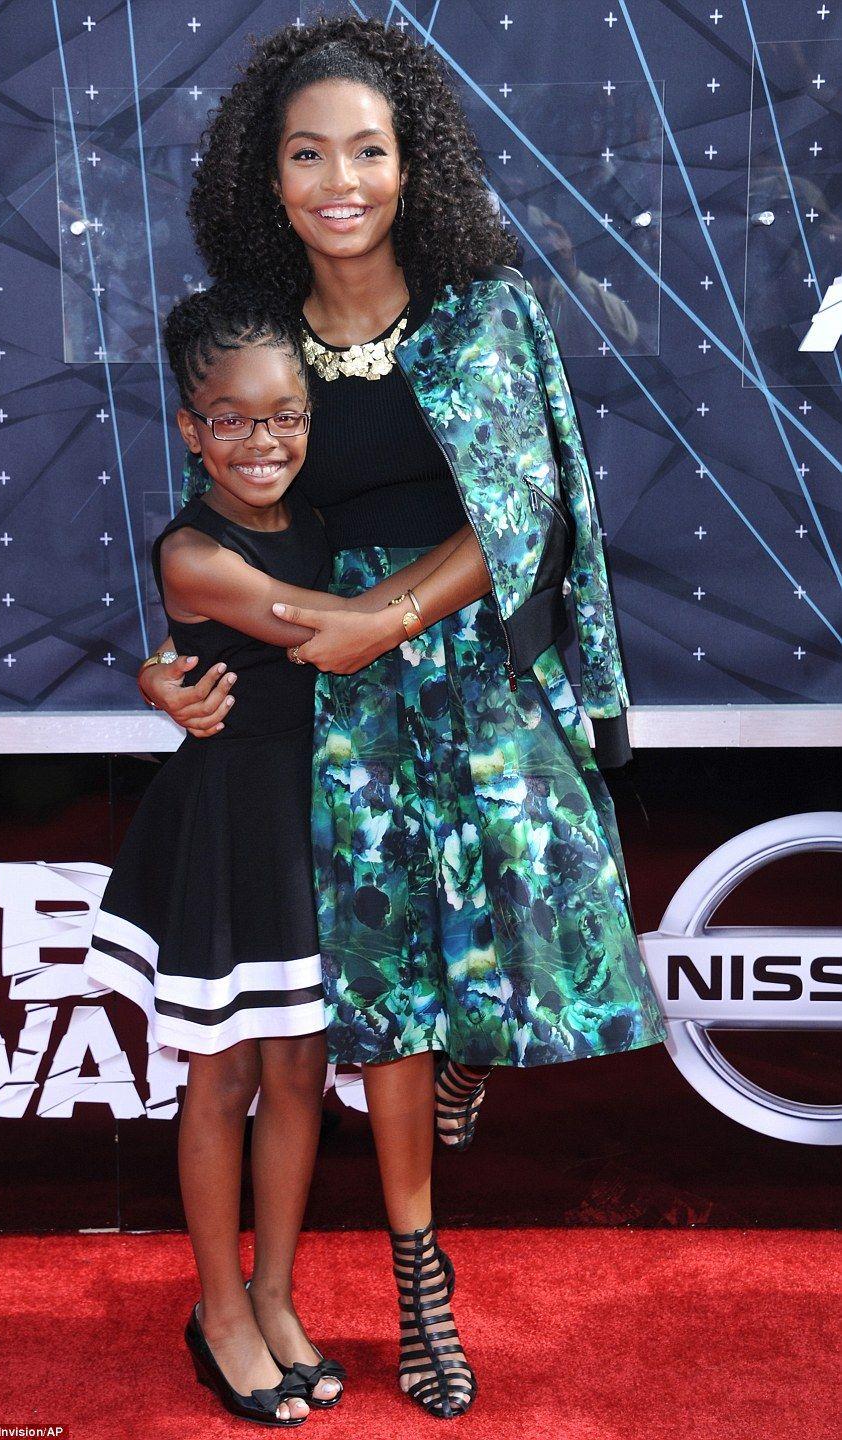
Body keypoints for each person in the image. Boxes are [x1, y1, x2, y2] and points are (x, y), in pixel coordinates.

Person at [140, 16, 668, 1421]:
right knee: (377, 994)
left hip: (466, 656)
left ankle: (463, 1073)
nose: (339, 180)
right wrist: (175, 657)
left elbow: (521, 511)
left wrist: (389, 621)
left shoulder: (480, 309)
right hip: (326, 694)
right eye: (306, 153)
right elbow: (219, 519)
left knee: (523, 917)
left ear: (409, 163)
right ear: (267, 177)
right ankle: (417, 1284)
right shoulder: (260, 336)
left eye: (366, 150)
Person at [83, 283, 347, 1427]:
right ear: (190, 429)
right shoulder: (191, 552)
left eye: (283, 413)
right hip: (227, 826)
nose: (262, 440)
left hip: (308, 822)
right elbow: (325, 636)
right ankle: (218, 1310)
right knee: (225, 1075)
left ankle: (276, 1298)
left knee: (300, 1073)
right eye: (230, 419)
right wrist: (454, 575)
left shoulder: (320, 521)